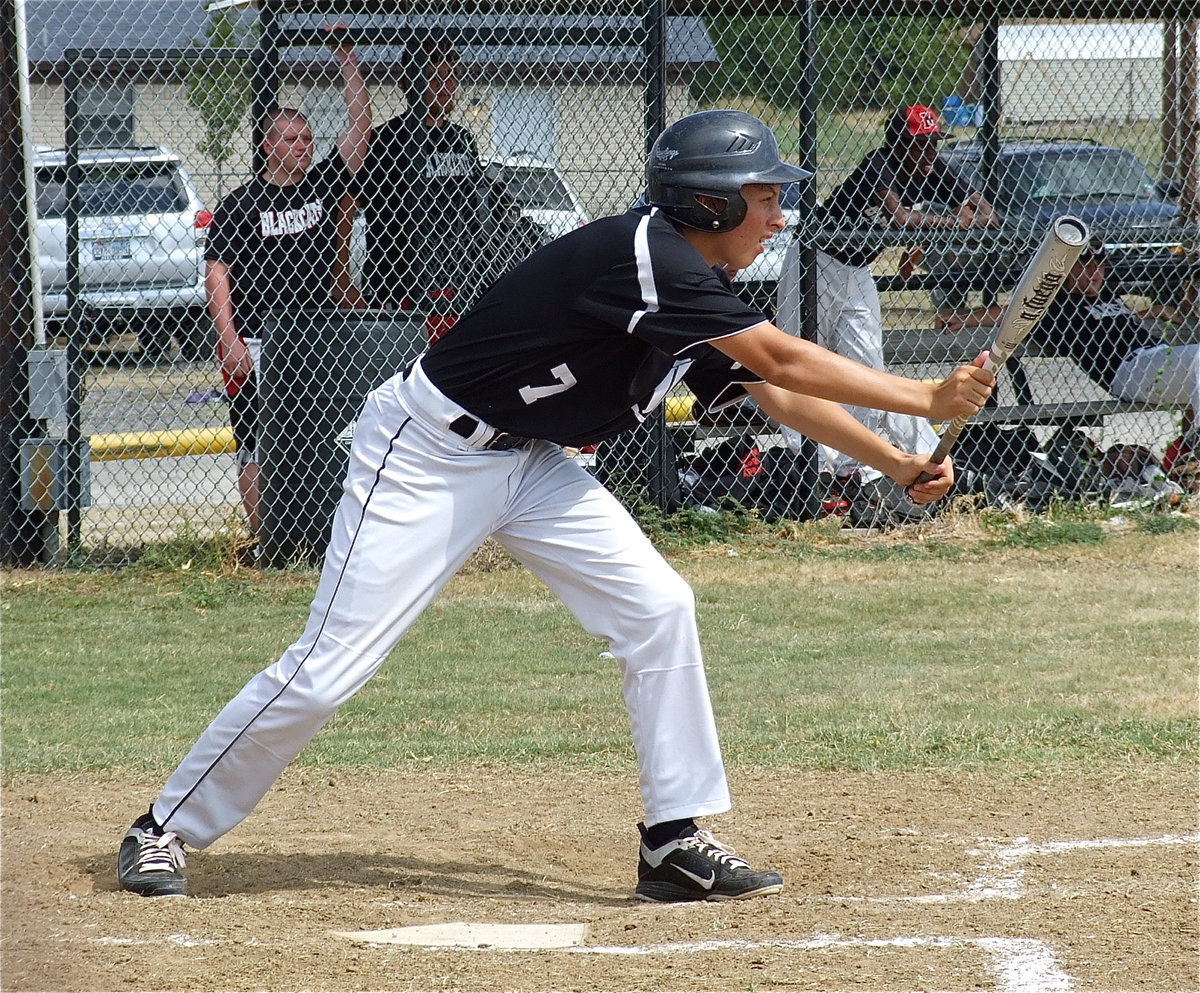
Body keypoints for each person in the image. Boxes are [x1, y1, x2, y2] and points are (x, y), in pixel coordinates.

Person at [117, 110, 994, 903]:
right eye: (763, 197)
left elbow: (773, 389)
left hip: (532, 462)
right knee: (328, 666)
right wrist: (924, 394)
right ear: (711, 205)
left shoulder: (691, 283)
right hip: (426, 453)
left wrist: (893, 460)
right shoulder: (647, 254)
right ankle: (162, 828)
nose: (776, 215)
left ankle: (672, 840)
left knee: (658, 606)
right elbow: (790, 359)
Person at [776, 104, 999, 524]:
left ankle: (849, 471)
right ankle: (814, 469)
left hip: (856, 270)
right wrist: (950, 221)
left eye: (934, 143)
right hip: (813, 262)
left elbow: (987, 214)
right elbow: (901, 216)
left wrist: (951, 219)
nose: (930, 153)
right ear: (898, 143)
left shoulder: (935, 169)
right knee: (797, 363)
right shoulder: (880, 164)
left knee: (868, 369)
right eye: (920, 145)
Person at [204, 28, 371, 536]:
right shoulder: (239, 205)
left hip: (317, 335)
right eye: (292, 139)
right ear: (268, 145)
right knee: (255, 440)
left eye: (308, 139)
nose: (304, 147)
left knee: (324, 433)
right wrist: (228, 338)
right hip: (258, 338)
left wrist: (345, 57)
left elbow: (360, 128)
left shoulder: (322, 184)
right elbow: (216, 272)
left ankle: (321, 531)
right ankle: (265, 542)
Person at [937, 236, 1199, 488]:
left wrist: (1154, 311)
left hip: (1161, 359)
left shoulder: (1107, 294)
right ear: (1067, 270)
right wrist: (965, 317)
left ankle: (1187, 455)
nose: (1095, 270)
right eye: (1084, 264)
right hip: (1131, 371)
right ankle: (1192, 452)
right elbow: (1011, 311)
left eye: (1100, 262)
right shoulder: (1057, 305)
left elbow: (1123, 318)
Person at [351, 40, 491, 326]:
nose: (447, 85)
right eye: (436, 77)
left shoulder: (461, 139)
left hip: (456, 277)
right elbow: (352, 201)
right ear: (408, 83)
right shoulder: (387, 140)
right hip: (397, 279)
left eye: (451, 76)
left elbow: (473, 204)